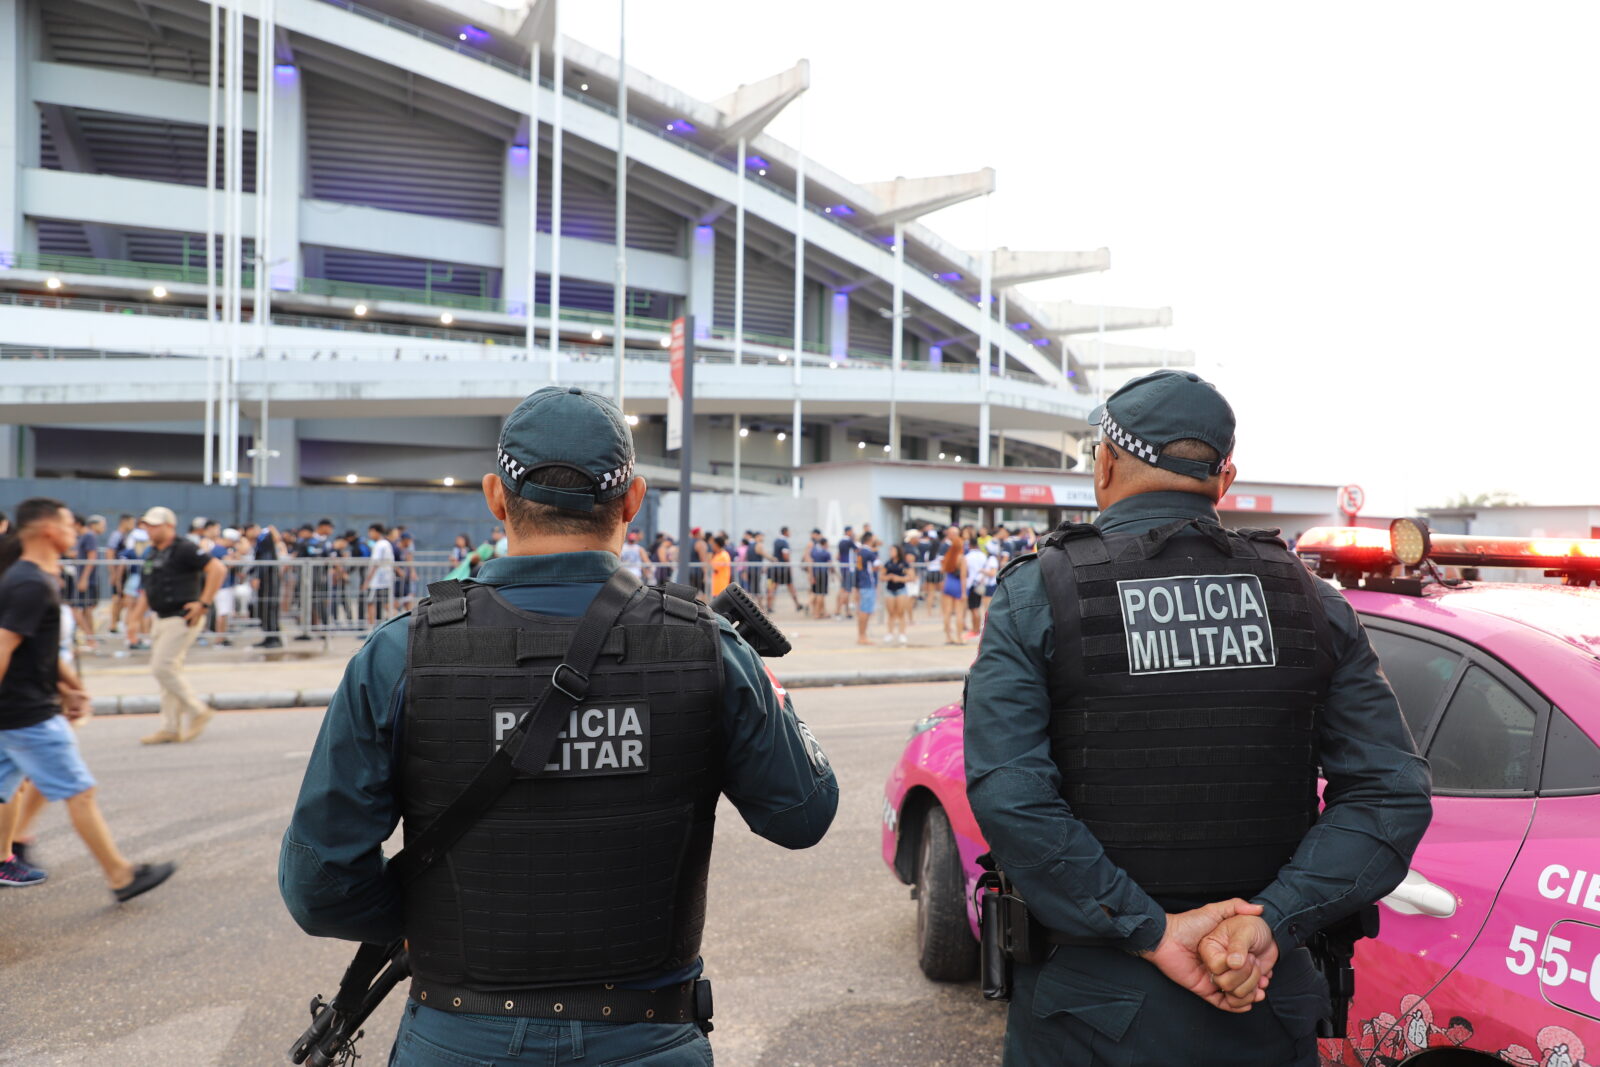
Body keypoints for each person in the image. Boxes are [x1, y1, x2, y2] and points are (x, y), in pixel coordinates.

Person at [279, 385, 839, 1065]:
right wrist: (756, 671)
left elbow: (320, 885)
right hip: (648, 1035)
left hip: (458, 1034)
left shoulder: (400, 654)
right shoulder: (709, 646)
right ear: (632, 500)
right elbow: (803, 812)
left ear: (495, 496)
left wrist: (435, 921)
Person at [964, 370, 1432, 1066]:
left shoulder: (1039, 593)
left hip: (1092, 1011)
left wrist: (1152, 929)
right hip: (1262, 996)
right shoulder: (1312, 599)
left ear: (1106, 462)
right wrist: (1273, 918)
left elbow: (1011, 791)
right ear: (1225, 477)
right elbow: (1391, 794)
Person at [0, 498, 176, 899]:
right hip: (26, 713)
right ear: (47, 530)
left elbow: (35, 648)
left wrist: (71, 687)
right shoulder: (28, 582)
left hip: (18, 709)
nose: (75, 531)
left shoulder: (37, 578)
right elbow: (4, 647)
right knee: (79, 791)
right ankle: (120, 875)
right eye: (68, 524)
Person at [133, 507, 225, 745]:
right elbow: (147, 589)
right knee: (168, 672)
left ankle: (197, 710)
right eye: (147, 525)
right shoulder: (152, 553)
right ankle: (170, 727)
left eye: (154, 525)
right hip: (161, 617)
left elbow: (217, 568)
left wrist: (203, 603)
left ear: (169, 526)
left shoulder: (185, 548)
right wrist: (134, 618)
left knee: (162, 667)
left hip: (182, 617)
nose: (149, 530)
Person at [939, 527, 967, 645]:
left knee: (947, 613)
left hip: (948, 583)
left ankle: (948, 637)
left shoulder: (947, 557)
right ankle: (959, 637)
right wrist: (964, 592)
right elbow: (963, 576)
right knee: (959, 613)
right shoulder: (962, 558)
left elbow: (942, 571)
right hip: (957, 584)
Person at [365, 524, 397, 627]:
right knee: (386, 604)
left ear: (375, 531)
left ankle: (371, 628)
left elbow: (375, 563)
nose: (369, 534)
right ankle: (397, 622)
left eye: (370, 532)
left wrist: (367, 580)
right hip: (386, 579)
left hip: (377, 581)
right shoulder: (386, 543)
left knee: (371, 603)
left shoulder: (379, 544)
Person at [853, 534, 881, 645]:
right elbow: (878, 564)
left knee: (863, 611)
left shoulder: (860, 552)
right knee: (865, 611)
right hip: (868, 583)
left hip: (862, 583)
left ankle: (862, 635)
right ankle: (862, 636)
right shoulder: (869, 552)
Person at [881, 543, 910, 645]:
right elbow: (882, 576)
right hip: (890, 589)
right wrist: (889, 577)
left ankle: (902, 633)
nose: (891, 553)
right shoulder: (888, 563)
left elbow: (911, 576)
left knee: (901, 612)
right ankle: (890, 632)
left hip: (901, 589)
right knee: (891, 613)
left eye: (893, 550)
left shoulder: (904, 564)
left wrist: (899, 578)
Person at [773, 526, 802, 611]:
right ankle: (797, 605)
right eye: (789, 531)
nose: (790, 533)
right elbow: (785, 556)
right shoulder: (784, 542)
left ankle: (770, 606)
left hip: (776, 567)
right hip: (784, 568)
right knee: (790, 586)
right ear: (785, 532)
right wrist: (789, 565)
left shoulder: (776, 541)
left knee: (774, 586)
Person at [834, 525, 857, 619]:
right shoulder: (849, 541)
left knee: (843, 590)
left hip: (843, 568)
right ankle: (838, 611)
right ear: (848, 532)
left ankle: (846, 611)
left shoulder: (840, 542)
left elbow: (838, 556)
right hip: (849, 568)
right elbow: (857, 550)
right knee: (847, 591)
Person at [808, 536, 831, 619]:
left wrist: (811, 576)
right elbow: (830, 565)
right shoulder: (826, 553)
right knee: (820, 595)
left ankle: (818, 612)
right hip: (823, 574)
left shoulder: (813, 551)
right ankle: (817, 613)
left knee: (816, 593)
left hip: (815, 574)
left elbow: (810, 563)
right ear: (824, 544)